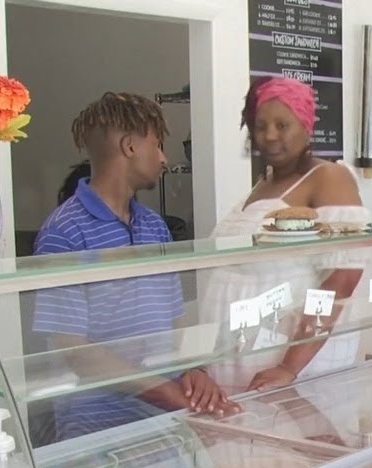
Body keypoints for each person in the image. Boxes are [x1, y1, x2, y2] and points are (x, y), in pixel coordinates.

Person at [32, 92, 234, 442]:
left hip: (164, 427)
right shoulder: (63, 231)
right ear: (129, 146)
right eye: (157, 145)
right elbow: (73, 350)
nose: (164, 159)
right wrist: (165, 393)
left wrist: (194, 370)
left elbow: (175, 320)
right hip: (97, 431)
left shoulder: (154, 226)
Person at [200, 77, 372, 395]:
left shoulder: (329, 177)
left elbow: (342, 278)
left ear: (306, 126)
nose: (269, 136)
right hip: (244, 358)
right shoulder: (263, 182)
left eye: (282, 125)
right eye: (260, 125)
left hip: (291, 363)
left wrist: (290, 365)